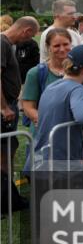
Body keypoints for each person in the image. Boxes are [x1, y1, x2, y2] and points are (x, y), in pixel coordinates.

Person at [32, 44, 83, 173]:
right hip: (62, 161)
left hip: (42, 157)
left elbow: (65, 107)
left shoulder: (53, 86)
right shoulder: (77, 88)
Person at [1, 16, 39, 214]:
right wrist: (3, 107)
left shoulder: (6, 44)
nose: (29, 40)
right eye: (31, 36)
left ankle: (10, 197)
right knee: (4, 154)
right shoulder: (2, 43)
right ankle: (6, 201)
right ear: (26, 31)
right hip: (5, 108)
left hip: (9, 104)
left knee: (9, 149)